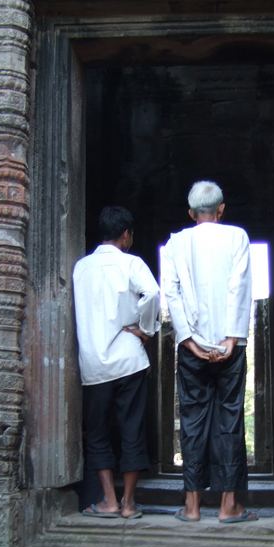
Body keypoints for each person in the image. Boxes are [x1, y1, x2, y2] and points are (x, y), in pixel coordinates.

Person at [162, 180, 257, 523]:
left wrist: (188, 340)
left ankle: (192, 506)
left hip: (193, 347)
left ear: (191, 213)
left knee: (193, 421)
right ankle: (229, 506)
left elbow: (170, 293)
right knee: (229, 420)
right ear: (221, 210)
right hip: (230, 344)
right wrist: (232, 337)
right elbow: (240, 285)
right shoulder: (237, 237)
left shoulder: (177, 243)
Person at [73, 206, 160, 519]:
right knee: (131, 429)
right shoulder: (131, 263)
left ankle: (108, 500)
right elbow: (152, 294)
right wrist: (146, 330)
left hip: (94, 363)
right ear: (126, 235)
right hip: (128, 360)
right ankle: (129, 504)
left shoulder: (81, 268)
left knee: (97, 433)